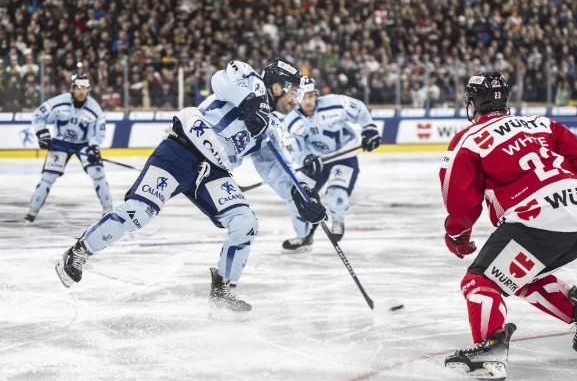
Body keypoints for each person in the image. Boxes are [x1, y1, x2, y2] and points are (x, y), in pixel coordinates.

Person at [56, 59, 326, 315]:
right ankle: (79, 251)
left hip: (213, 172)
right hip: (180, 149)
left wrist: (299, 193)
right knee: (138, 212)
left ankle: (222, 291)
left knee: (244, 222)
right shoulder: (249, 79)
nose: (295, 99)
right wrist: (251, 101)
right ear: (276, 86)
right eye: (292, 91)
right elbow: (220, 78)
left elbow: (277, 168)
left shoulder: (272, 129)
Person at [440, 72, 577, 380]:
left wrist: (458, 236)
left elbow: (461, 198)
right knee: (518, 276)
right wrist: (573, 199)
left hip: (536, 222)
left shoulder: (468, 140)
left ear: (472, 103)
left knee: (479, 282)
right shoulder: (541, 123)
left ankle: (490, 349)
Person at [281, 76, 381, 251]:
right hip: (316, 163)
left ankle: (338, 219)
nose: (308, 101)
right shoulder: (291, 121)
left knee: (335, 194)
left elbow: (359, 108)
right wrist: (306, 158)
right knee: (297, 196)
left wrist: (369, 128)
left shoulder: (335, 102)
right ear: (297, 98)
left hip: (344, 156)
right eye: (304, 97)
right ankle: (304, 237)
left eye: (311, 96)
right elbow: (294, 148)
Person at [25, 73, 112, 222]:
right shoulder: (58, 102)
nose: (81, 91)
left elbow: (99, 131)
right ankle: (32, 211)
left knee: (97, 174)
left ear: (89, 90)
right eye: (78, 87)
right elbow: (38, 115)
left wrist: (94, 147)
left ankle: (109, 210)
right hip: (60, 143)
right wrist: (41, 132)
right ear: (72, 88)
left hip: (84, 144)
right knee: (47, 178)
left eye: (84, 88)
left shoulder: (95, 109)